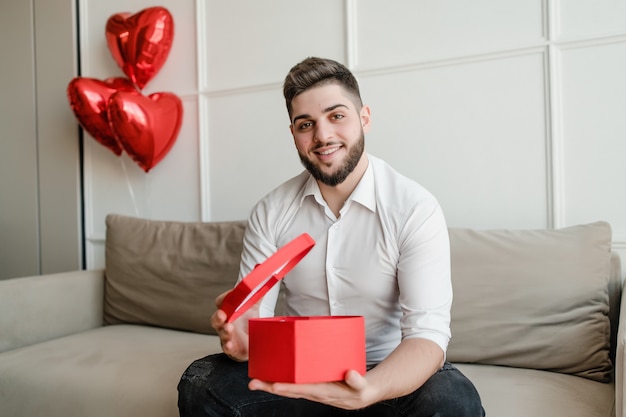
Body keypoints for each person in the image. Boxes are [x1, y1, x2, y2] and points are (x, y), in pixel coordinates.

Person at [178, 57, 484, 416]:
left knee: (454, 399)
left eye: (336, 116)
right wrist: (241, 342)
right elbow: (251, 325)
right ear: (293, 133)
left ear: (364, 117)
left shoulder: (414, 208)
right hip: (299, 377)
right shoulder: (272, 211)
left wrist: (369, 389)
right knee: (201, 382)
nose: (322, 136)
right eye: (306, 124)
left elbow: (427, 335)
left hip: (388, 376)